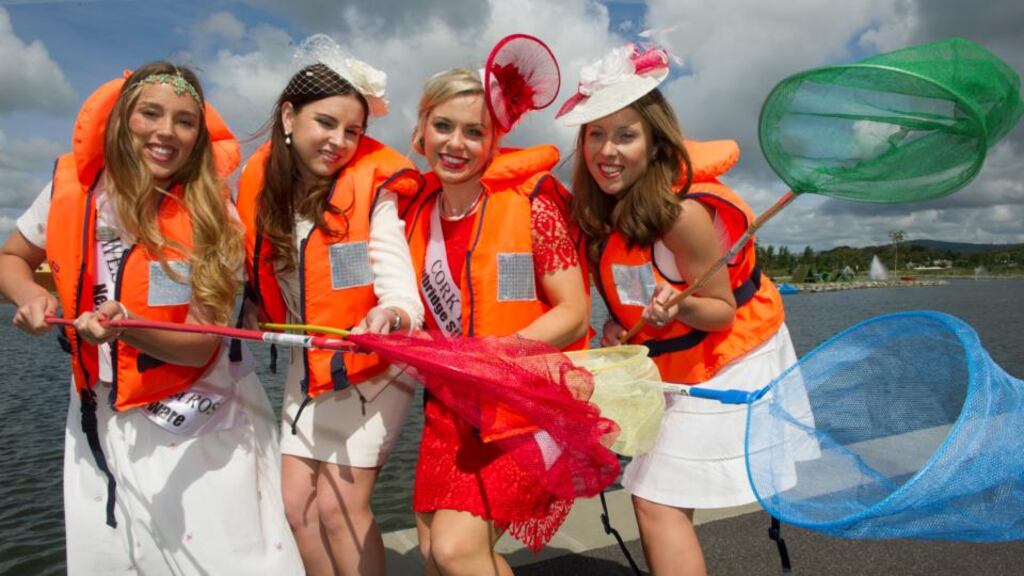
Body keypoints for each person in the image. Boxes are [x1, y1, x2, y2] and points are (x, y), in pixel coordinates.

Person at [0, 62, 302, 574]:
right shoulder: (69, 190)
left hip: (200, 419)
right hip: (98, 410)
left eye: (185, 121)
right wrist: (30, 295)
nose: (166, 131)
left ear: (198, 137)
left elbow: (202, 343)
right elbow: (12, 257)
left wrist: (130, 327)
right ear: (123, 120)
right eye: (151, 113)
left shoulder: (216, 216)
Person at [558, 44, 796, 576]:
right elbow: (633, 297)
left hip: (732, 355)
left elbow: (720, 313)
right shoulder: (607, 216)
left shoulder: (682, 214)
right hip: (677, 364)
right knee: (655, 496)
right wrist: (618, 328)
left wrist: (683, 306)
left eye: (625, 134)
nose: (607, 150)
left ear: (655, 141)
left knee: (655, 500)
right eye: (595, 134)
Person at [233, 34, 424, 576]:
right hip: (310, 362)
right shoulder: (259, 189)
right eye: (327, 123)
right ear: (289, 117)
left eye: (353, 131)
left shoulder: (374, 192)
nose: (340, 141)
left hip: (375, 363)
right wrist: (248, 301)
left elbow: (402, 291)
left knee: (342, 510)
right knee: (297, 508)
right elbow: (247, 269)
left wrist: (394, 314)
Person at [402, 42, 591, 575]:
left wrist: (492, 356)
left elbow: (573, 312)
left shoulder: (532, 202)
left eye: (474, 132)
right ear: (422, 130)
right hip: (451, 411)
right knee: (438, 554)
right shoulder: (414, 212)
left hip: (526, 405)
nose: (455, 143)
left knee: (456, 550)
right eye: (444, 126)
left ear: (494, 141)